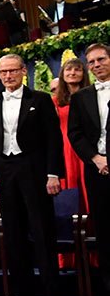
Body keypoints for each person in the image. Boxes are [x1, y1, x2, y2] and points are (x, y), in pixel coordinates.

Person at [0, 55, 63, 296]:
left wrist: (53, 173)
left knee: (41, 229)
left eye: (12, 71)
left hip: (35, 169)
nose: (8, 76)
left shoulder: (40, 99)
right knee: (13, 232)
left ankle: (51, 291)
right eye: (3, 72)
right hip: (5, 169)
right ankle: (22, 290)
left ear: (23, 71)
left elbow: (53, 139)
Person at [67, 44, 110, 296]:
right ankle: (108, 290)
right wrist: (96, 159)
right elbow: (75, 134)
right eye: (91, 62)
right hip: (97, 170)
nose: (96, 65)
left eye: (101, 59)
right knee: (105, 231)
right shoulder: (81, 97)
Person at [54, 58, 90, 210]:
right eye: (69, 69)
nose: (72, 73)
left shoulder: (91, 96)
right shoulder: (54, 101)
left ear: (84, 74)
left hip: (87, 145)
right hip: (65, 148)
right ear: (62, 74)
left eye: (77, 69)